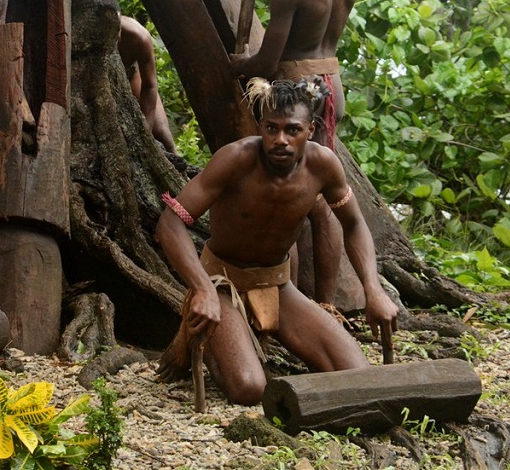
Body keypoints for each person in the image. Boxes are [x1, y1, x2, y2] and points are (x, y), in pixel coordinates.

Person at [155, 79, 398, 405]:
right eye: (272, 128)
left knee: (355, 374)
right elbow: (170, 223)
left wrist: (374, 290)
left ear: (310, 129)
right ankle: (200, 336)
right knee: (250, 389)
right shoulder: (236, 159)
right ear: (260, 127)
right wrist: (202, 289)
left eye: (292, 130)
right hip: (221, 283)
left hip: (278, 286)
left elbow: (354, 225)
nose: (280, 140)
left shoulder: (323, 165)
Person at [229, 0, 359, 304]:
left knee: (301, 201)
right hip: (329, 87)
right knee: (325, 196)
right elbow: (312, 15)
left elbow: (266, 64)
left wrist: (238, 65)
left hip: (298, 97)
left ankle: (308, 306)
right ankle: (321, 305)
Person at [103, 0, 177, 153]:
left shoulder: (139, 37)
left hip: (131, 76)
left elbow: (150, 85)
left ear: (120, 19)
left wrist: (146, 132)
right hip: (102, 83)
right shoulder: (86, 34)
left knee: (162, 133)